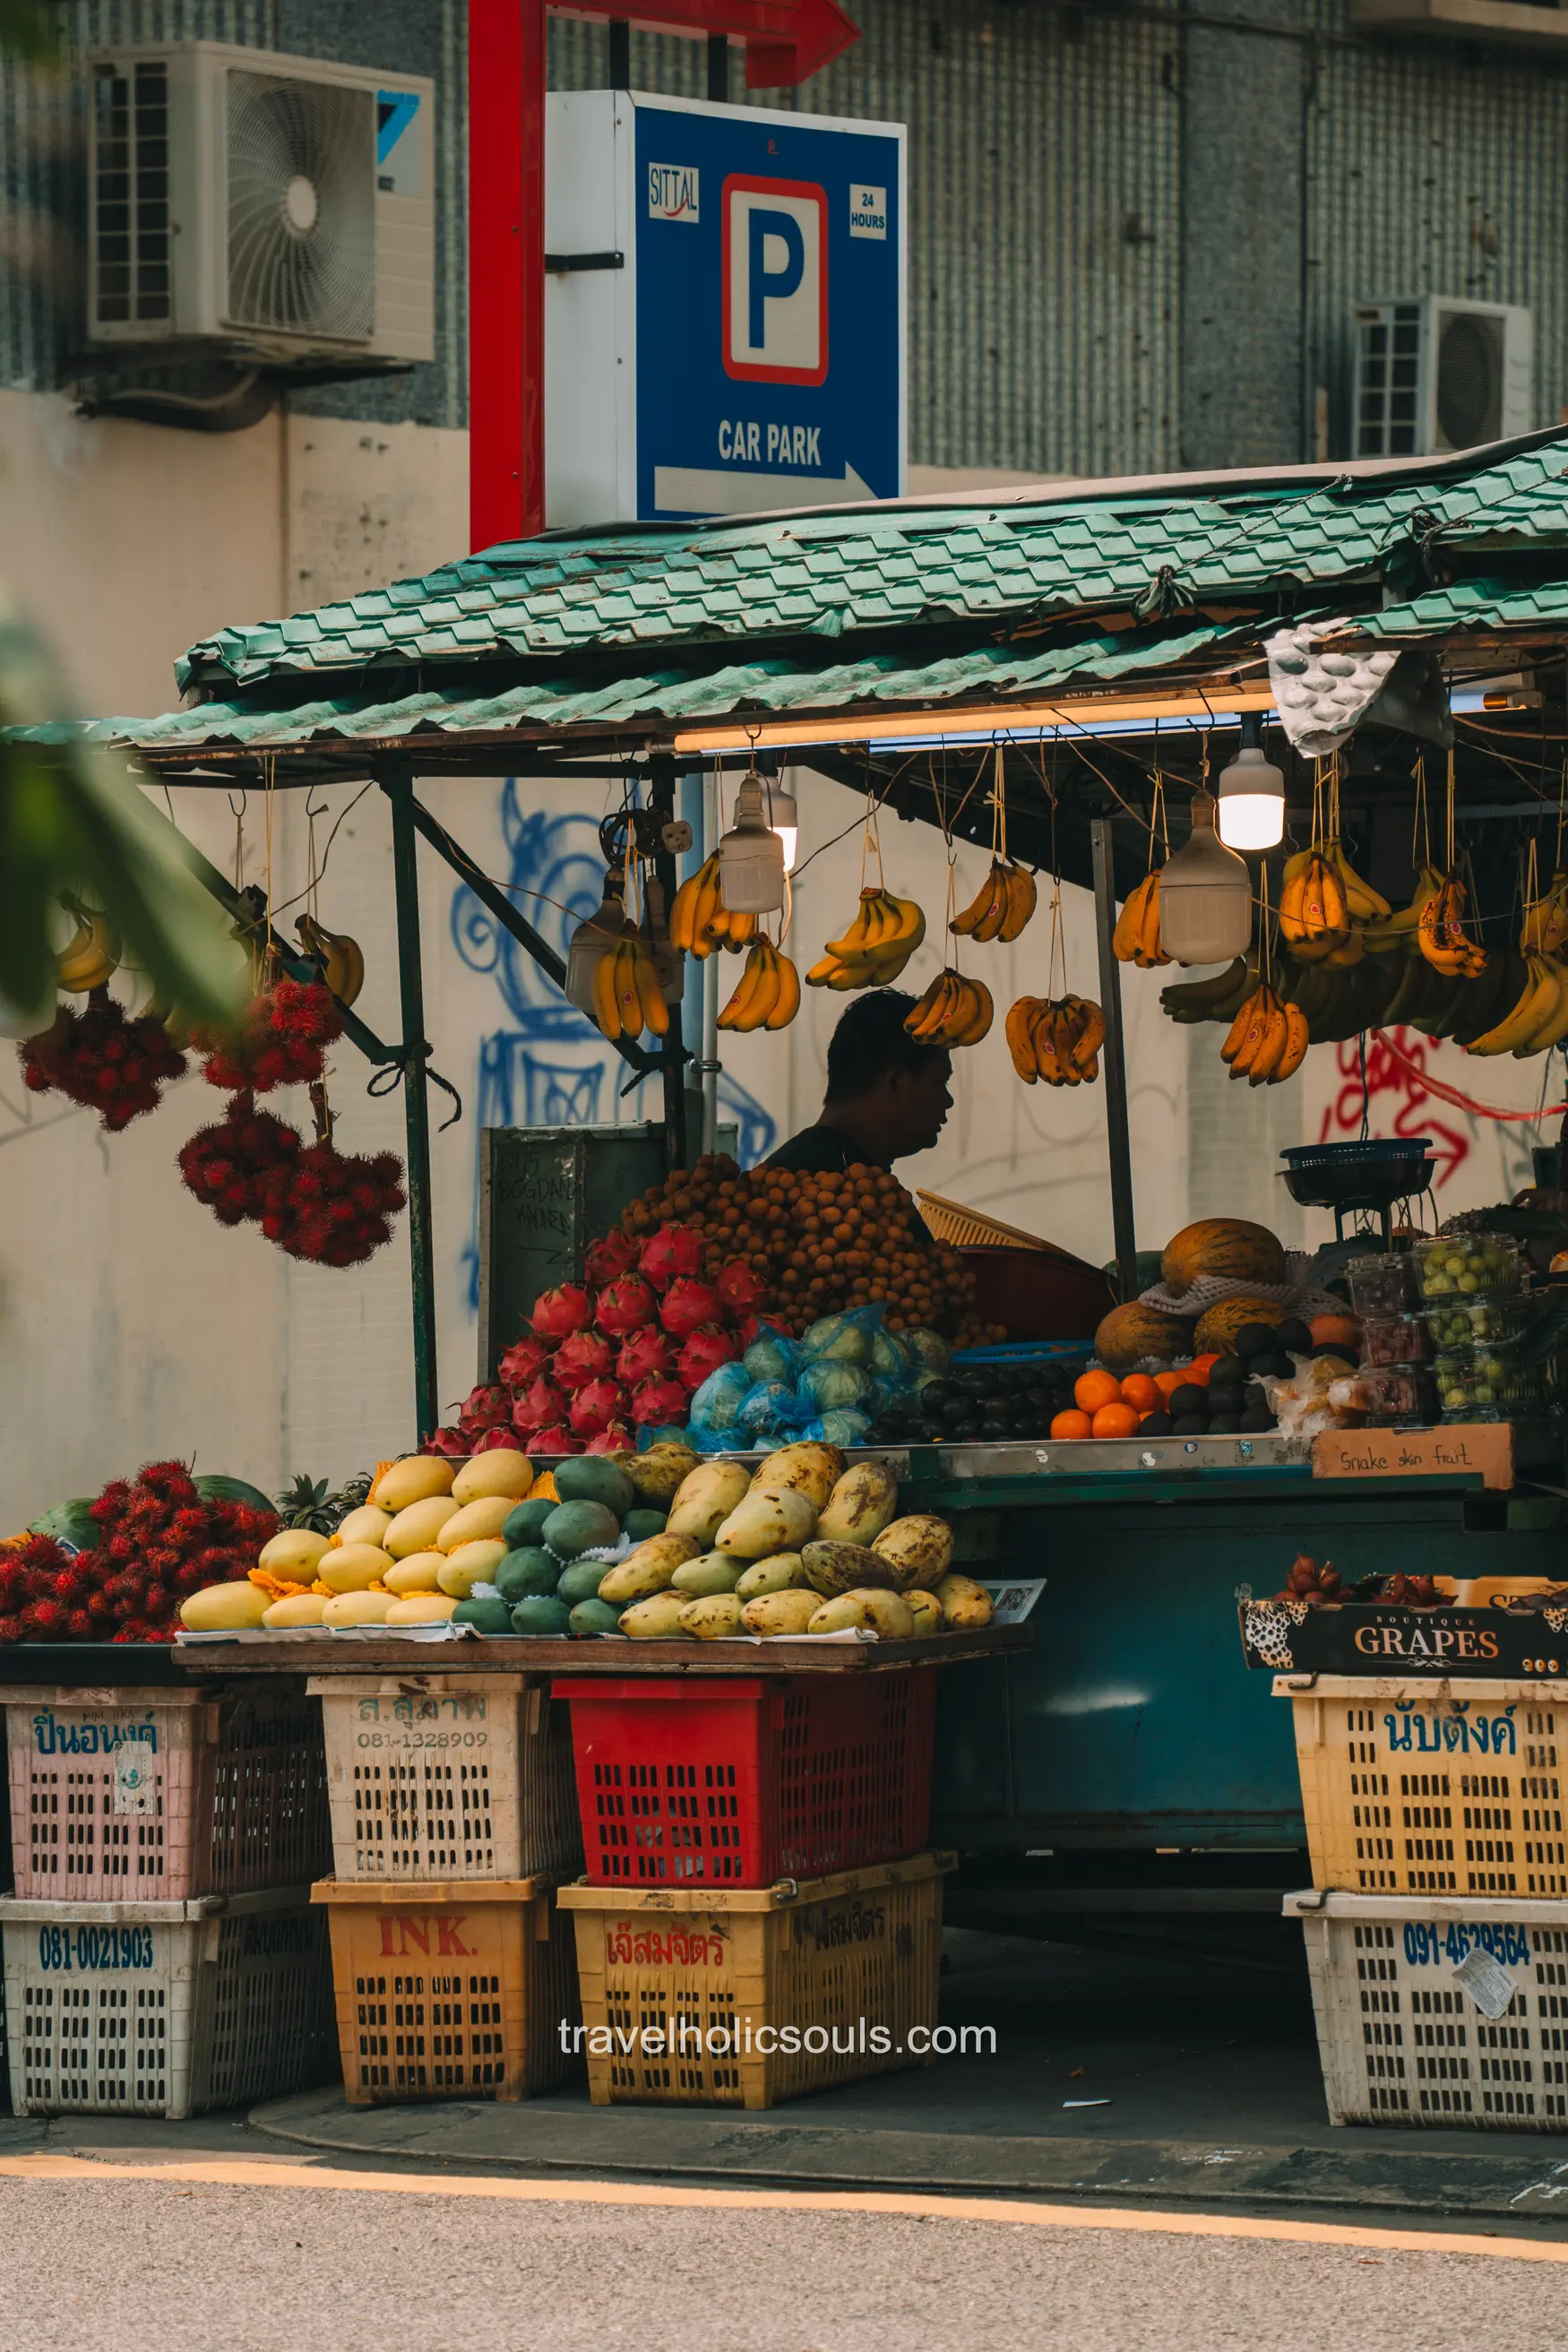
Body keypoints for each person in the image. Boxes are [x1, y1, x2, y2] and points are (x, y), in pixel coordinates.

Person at [762, 988, 952, 1175]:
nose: (948, 1101)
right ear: (895, 1082)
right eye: (939, 1082)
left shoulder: (822, 1169)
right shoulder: (823, 1188)